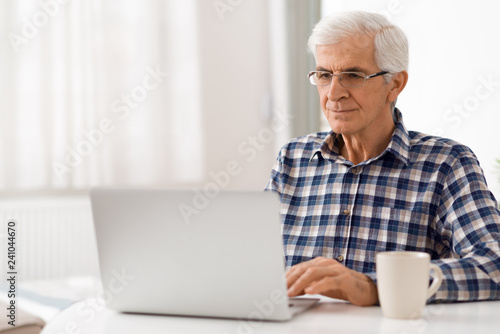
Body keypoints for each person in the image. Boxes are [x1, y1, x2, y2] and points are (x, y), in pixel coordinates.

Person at [266, 11, 500, 306]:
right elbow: (250, 266)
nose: (334, 93)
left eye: (352, 75)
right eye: (325, 75)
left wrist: (374, 287)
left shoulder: (447, 163)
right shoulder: (292, 158)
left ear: (395, 84)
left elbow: (493, 265)